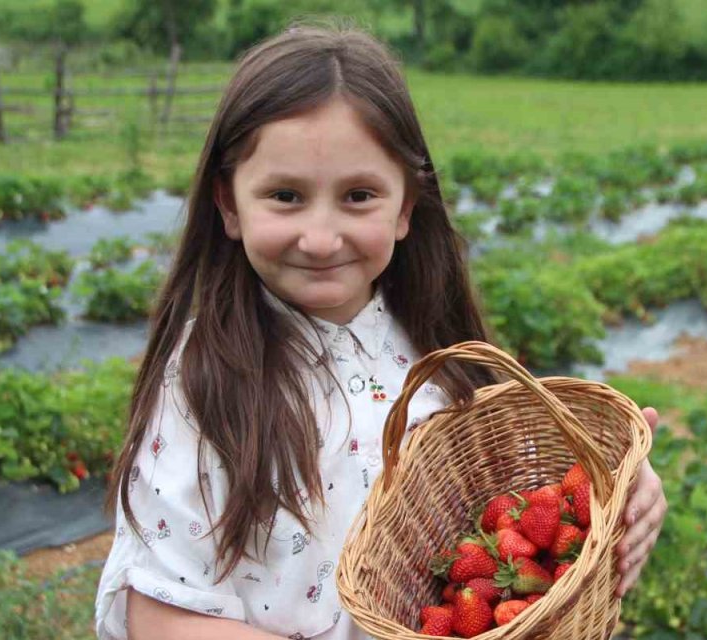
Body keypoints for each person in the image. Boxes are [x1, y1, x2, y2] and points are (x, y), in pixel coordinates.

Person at [93, 22, 668, 640]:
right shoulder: (206, 383)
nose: (320, 238)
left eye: (359, 195)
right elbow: (159, 614)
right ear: (229, 206)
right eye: (285, 196)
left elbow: (510, 501)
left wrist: (615, 494)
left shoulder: (434, 350)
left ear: (405, 208)